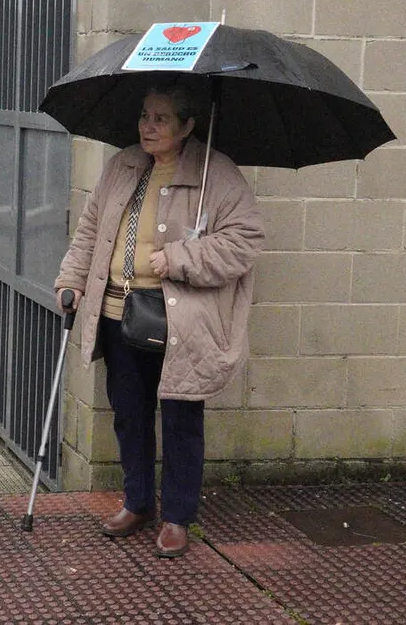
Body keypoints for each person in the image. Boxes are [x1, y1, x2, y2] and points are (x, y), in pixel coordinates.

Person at [54, 83, 264, 557]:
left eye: (161, 119)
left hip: (180, 324)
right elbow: (91, 230)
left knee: (180, 417)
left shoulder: (217, 173)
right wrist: (71, 278)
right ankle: (137, 501)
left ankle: (177, 516)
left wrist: (181, 258)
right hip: (116, 312)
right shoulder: (123, 164)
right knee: (129, 415)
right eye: (145, 115)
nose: (147, 126)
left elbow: (246, 241)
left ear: (188, 125)